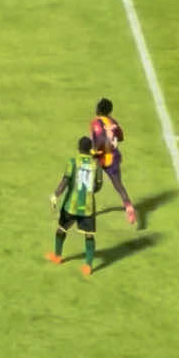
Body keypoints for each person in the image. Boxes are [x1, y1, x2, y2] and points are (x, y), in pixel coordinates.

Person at [47, 136, 102, 277]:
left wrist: (55, 196)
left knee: (61, 229)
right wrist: (89, 191)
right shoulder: (97, 164)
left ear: (78, 148)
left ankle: (57, 256)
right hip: (88, 207)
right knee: (89, 235)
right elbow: (98, 185)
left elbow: (65, 181)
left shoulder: (73, 162)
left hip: (71, 205)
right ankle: (88, 266)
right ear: (90, 149)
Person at [90, 98, 137, 226]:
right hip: (114, 158)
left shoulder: (95, 123)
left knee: (93, 186)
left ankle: (89, 213)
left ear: (98, 109)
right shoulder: (113, 121)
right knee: (118, 185)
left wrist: (94, 151)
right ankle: (129, 207)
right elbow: (121, 137)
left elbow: (99, 138)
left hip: (100, 158)